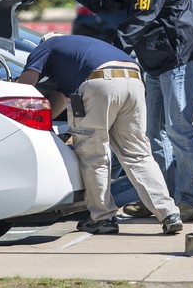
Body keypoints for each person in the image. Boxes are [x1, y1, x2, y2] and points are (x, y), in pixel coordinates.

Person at [54, 0, 193, 222]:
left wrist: (108, 52)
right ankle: (161, 200)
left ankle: (192, 200)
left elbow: (142, 17)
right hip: (157, 60)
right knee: (154, 134)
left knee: (178, 130)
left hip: (181, 57)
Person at [16, 33, 183, 235]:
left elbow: (26, 85)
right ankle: (169, 213)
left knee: (94, 155)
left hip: (100, 81)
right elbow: (61, 97)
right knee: (138, 154)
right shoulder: (81, 50)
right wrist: (46, 120)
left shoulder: (45, 47)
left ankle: (103, 218)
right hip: (134, 80)